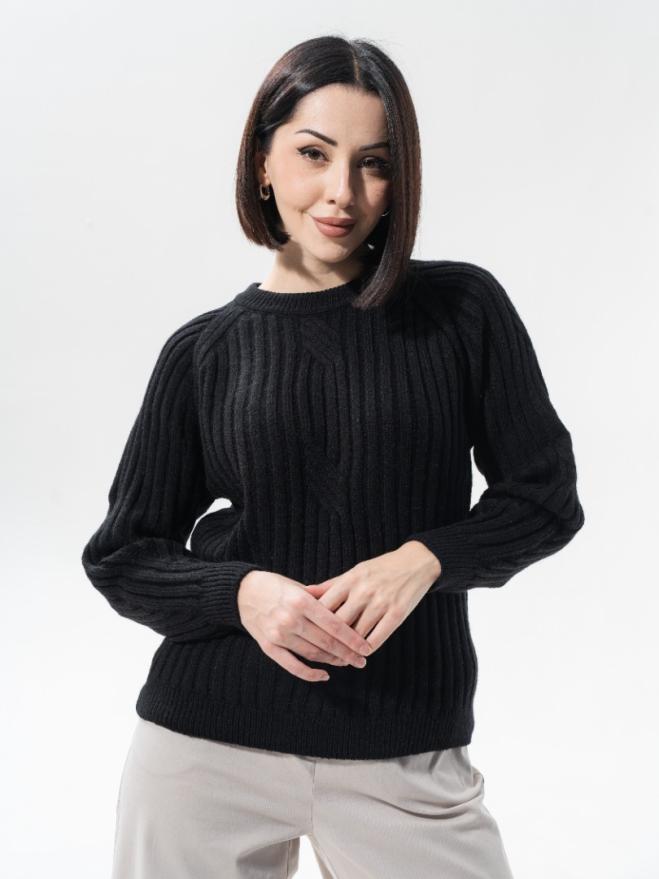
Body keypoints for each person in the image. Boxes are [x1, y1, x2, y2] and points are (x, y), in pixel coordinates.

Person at [81, 34, 585, 879]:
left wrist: (423, 559)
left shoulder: (459, 310)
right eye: (313, 154)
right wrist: (242, 592)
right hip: (203, 749)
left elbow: (543, 496)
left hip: (403, 747)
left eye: (373, 164)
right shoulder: (204, 351)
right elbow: (122, 556)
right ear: (263, 161)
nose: (341, 192)